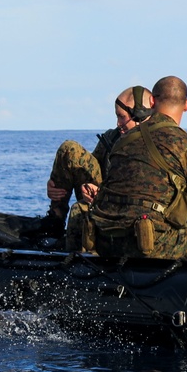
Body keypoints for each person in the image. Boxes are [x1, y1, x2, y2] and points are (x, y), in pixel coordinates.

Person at [90, 76, 187, 267]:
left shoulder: (122, 141)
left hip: (107, 240)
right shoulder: (185, 145)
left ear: (152, 101)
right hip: (147, 244)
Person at [44, 86, 154, 251]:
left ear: (138, 114)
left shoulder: (154, 143)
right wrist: (56, 184)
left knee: (78, 210)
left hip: (127, 204)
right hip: (104, 193)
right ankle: (54, 224)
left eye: (122, 117)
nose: (118, 123)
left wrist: (103, 196)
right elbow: (91, 167)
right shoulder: (113, 136)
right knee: (69, 149)